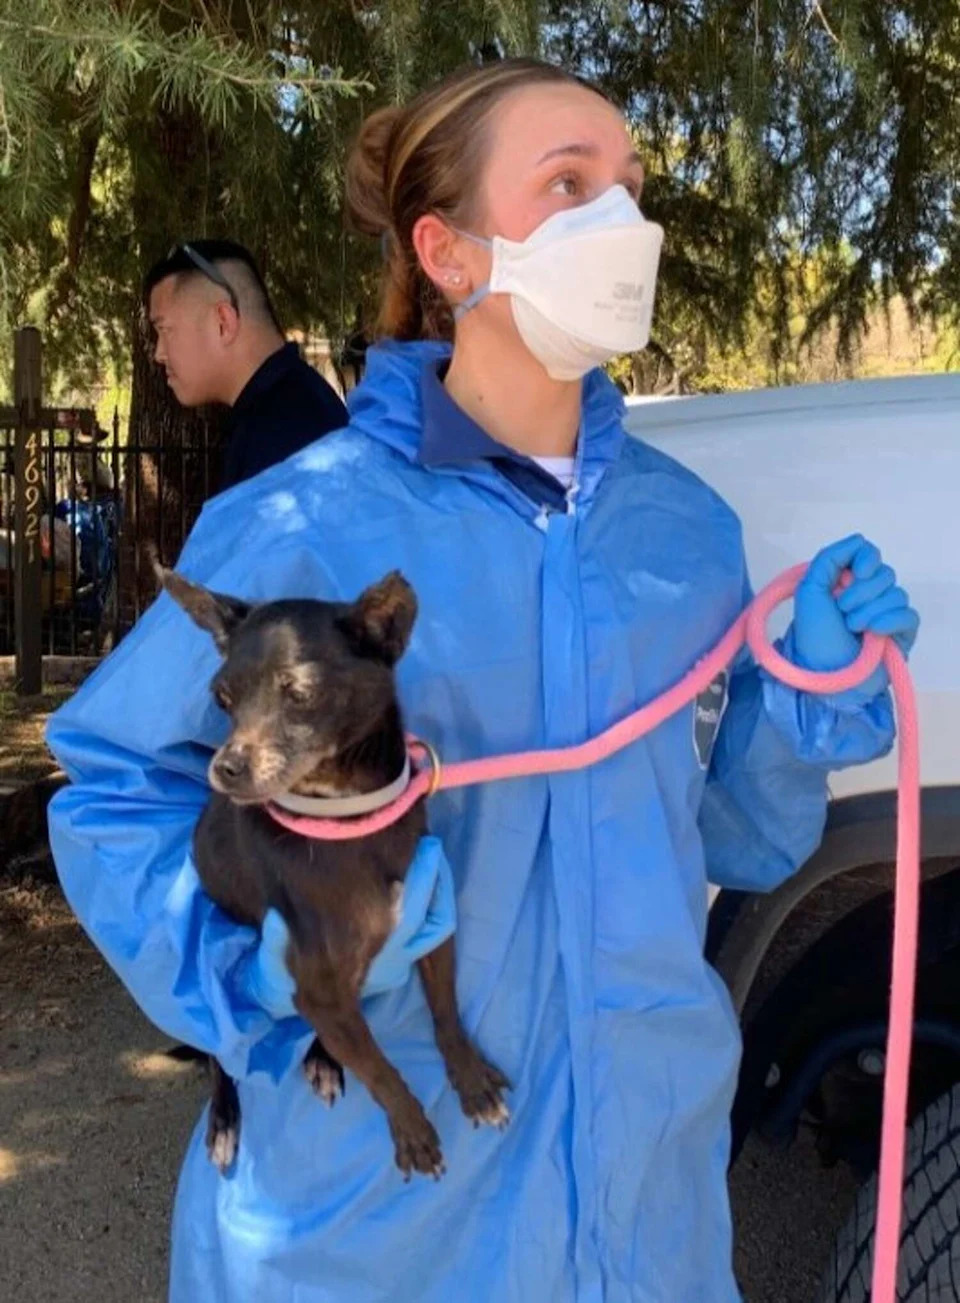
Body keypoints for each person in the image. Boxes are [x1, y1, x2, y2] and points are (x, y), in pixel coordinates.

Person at [46, 59, 920, 1303]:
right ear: (448, 253)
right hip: (378, 1231)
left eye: (629, 185)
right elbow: (118, 787)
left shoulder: (686, 537)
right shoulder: (307, 523)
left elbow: (736, 837)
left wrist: (797, 710)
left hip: (646, 1213)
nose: (621, 221)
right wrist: (260, 965)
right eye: (568, 185)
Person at [144, 239, 348, 491]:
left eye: (165, 330)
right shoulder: (289, 407)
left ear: (223, 322)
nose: (158, 354)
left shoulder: (281, 433)